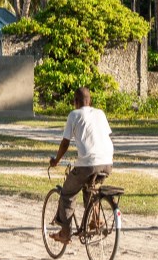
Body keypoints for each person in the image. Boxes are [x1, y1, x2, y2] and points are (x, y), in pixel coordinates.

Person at [47, 87, 113, 243]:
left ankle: (65, 232)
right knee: (91, 187)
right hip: (107, 163)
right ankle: (94, 220)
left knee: (67, 194)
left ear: (75, 102)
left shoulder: (73, 115)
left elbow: (65, 143)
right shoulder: (100, 113)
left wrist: (56, 161)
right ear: (90, 101)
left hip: (88, 165)